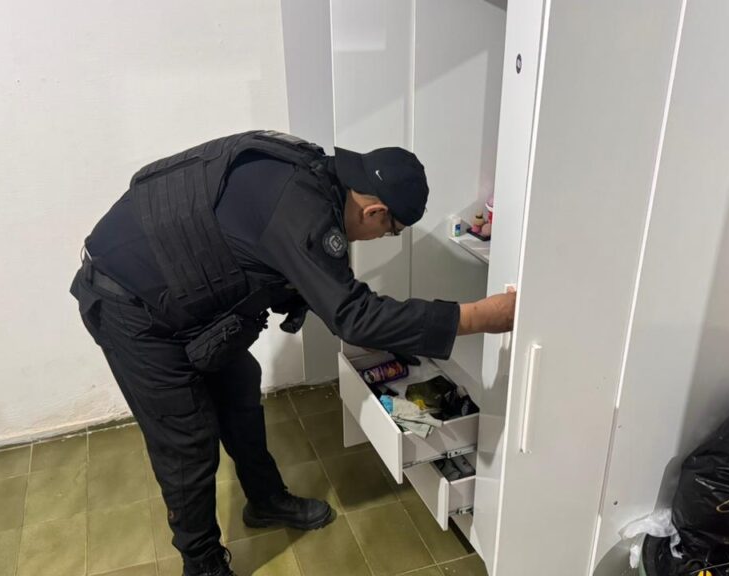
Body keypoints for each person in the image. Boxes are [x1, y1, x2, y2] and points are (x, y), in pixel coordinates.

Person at [70, 130, 516, 576]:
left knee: (240, 387)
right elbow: (352, 315)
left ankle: (265, 499)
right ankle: (202, 564)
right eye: (390, 230)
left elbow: (315, 284)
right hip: (128, 303)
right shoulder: (303, 212)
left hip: (178, 293)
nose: (383, 237)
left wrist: (389, 333)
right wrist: (480, 316)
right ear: (375, 211)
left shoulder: (314, 175)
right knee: (187, 441)